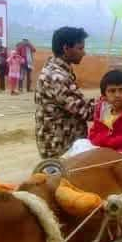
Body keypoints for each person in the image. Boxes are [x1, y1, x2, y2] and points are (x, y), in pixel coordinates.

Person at [35, 27, 94, 159]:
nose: (84, 53)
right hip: (60, 147)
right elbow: (85, 111)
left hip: (62, 142)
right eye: (80, 48)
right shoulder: (57, 77)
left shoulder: (58, 69)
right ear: (66, 48)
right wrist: (109, 105)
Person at [86, 70, 122, 170]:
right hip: (101, 154)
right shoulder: (101, 113)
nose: (117, 95)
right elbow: (94, 133)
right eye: (112, 91)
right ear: (104, 95)